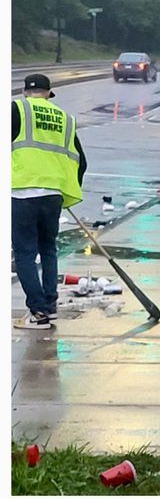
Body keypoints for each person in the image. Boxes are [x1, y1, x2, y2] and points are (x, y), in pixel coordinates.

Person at [12, 74, 87, 329]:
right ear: (49, 93)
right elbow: (80, 162)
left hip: (22, 192)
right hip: (52, 195)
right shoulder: (65, 119)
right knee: (48, 249)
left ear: (25, 91)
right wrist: (66, 192)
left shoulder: (16, 109)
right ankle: (50, 305)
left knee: (24, 254)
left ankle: (38, 312)